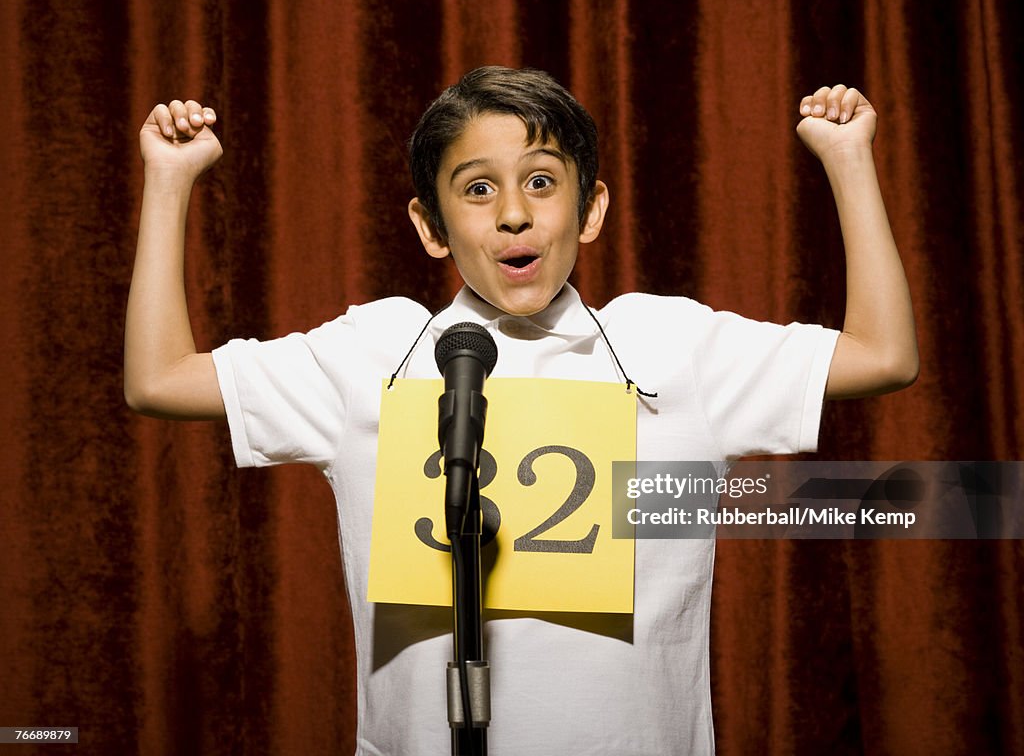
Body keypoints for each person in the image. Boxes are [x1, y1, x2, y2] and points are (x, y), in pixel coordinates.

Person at [125, 66, 917, 754]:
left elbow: (883, 357)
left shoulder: (671, 346)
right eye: (477, 189)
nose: (513, 213)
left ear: (591, 209)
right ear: (430, 228)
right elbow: (159, 380)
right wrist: (168, 180)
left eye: (541, 181)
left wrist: (849, 162)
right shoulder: (376, 351)